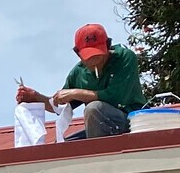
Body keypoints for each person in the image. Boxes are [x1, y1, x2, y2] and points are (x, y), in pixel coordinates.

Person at [17, 22, 146, 140]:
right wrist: (35, 97)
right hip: (100, 129)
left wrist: (75, 93)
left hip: (133, 122)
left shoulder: (125, 58)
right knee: (62, 146)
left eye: (99, 55)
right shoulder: (79, 73)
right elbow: (60, 105)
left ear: (108, 45)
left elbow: (115, 96)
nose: (95, 61)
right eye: (89, 56)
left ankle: (98, 157)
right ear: (77, 53)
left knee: (94, 109)